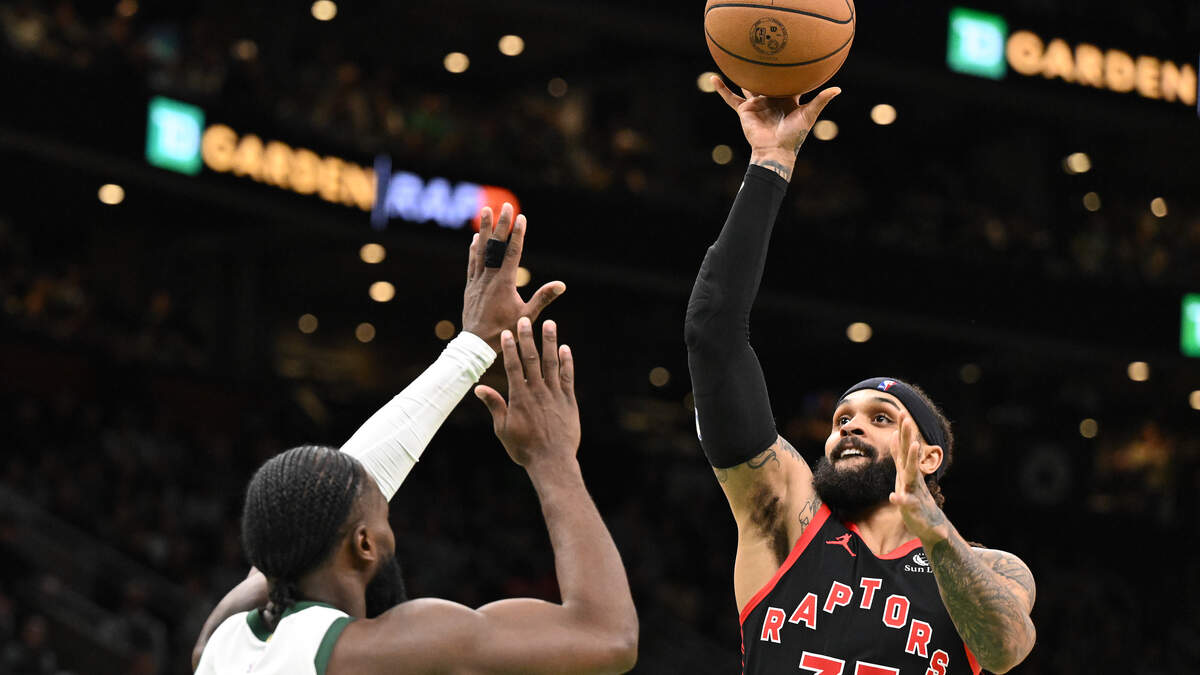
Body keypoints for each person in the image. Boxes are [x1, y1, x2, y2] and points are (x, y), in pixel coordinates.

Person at [683, 78, 1036, 675]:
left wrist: (937, 533)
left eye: (880, 419)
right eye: (841, 419)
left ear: (929, 457)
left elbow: (1004, 651)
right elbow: (712, 333)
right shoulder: (786, 515)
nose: (848, 428)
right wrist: (771, 162)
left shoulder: (993, 567)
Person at [192, 205, 638, 674]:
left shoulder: (220, 644)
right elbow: (608, 637)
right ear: (364, 544)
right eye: (383, 516)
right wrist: (553, 459)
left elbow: (315, 512)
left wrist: (471, 349)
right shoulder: (379, 653)